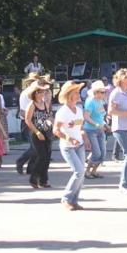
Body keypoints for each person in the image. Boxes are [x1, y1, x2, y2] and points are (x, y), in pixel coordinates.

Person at [54, 81, 90, 210]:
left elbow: (80, 127)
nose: (78, 94)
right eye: (75, 92)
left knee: (81, 172)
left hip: (79, 145)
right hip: (68, 146)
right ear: (69, 95)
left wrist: (85, 138)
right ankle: (66, 198)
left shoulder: (79, 110)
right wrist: (70, 138)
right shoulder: (62, 112)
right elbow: (56, 130)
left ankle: (74, 200)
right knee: (78, 171)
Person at [24, 81, 53, 188]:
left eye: (43, 92)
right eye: (40, 92)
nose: (42, 94)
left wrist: (54, 126)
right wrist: (37, 132)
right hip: (36, 133)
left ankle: (43, 180)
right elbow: (28, 120)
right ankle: (34, 178)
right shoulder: (31, 105)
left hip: (46, 131)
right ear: (34, 93)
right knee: (41, 156)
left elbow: (48, 116)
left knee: (47, 157)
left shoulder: (45, 104)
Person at [16, 72, 41, 175]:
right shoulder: (26, 93)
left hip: (36, 121)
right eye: (35, 81)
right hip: (28, 122)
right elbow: (23, 111)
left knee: (37, 147)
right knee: (35, 147)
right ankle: (20, 162)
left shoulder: (35, 93)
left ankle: (30, 168)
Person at [83, 80, 108, 179]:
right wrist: (97, 124)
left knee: (103, 153)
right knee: (96, 153)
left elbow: (101, 116)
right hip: (91, 130)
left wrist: (105, 124)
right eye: (102, 92)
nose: (104, 94)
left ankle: (94, 171)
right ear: (95, 92)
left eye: (104, 92)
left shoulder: (100, 101)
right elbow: (86, 117)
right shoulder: (90, 101)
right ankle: (87, 171)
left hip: (100, 130)